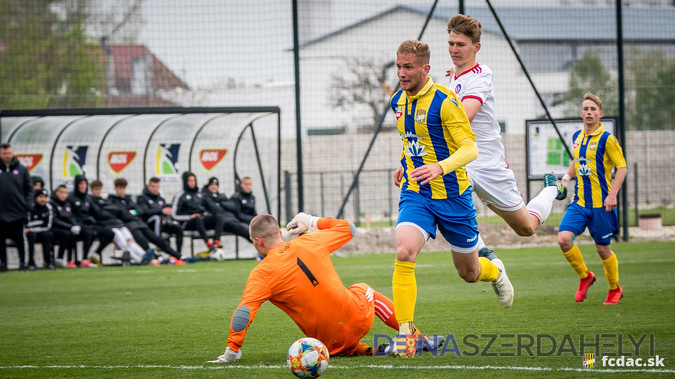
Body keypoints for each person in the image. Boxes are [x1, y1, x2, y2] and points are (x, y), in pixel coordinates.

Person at [390, 40, 514, 355]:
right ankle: (406, 334)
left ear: (425, 69)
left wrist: (439, 168)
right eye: (399, 67)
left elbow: (469, 148)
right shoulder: (397, 102)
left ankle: (495, 270)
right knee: (404, 252)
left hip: (454, 197)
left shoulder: (445, 101)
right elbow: (413, 141)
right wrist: (405, 164)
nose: (402, 74)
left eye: (408, 67)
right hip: (417, 193)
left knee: (470, 274)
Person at [210, 212, 438, 363]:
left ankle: (358, 348)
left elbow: (244, 313)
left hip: (327, 343)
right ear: (280, 233)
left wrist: (232, 351)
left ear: (258, 241)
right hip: (359, 319)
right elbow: (350, 228)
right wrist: (310, 221)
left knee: (338, 316)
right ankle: (417, 338)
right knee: (361, 288)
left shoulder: (261, 273)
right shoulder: (311, 240)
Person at [445, 14, 566, 255]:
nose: (454, 49)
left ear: (476, 47)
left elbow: (464, 118)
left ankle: (553, 188)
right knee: (449, 198)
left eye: (461, 44)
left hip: (489, 164)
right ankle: (484, 254)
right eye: (451, 43)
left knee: (527, 228)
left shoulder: (481, 76)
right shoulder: (450, 79)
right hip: (462, 161)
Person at [557, 93, 627, 305]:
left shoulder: (608, 139)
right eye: (586, 109)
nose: (589, 112)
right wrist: (567, 177)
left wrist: (613, 194)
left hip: (601, 205)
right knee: (563, 239)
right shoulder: (577, 136)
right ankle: (585, 276)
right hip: (579, 203)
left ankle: (614, 288)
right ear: (581, 113)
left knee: (602, 249)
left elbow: (622, 167)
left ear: (600, 114)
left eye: (593, 109)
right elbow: (577, 161)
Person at [110, 178, 182, 261]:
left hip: (139, 223)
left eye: (123, 188)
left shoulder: (128, 199)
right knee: (142, 240)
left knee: (157, 239)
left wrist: (131, 212)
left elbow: (140, 210)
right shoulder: (112, 200)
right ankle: (156, 258)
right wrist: (133, 212)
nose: (122, 191)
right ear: (115, 189)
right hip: (128, 226)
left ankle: (178, 256)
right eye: (120, 188)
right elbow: (123, 214)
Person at [89, 179, 155, 265]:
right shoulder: (90, 201)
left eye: (99, 189)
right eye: (96, 189)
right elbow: (100, 214)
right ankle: (138, 260)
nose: (98, 191)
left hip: (117, 224)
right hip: (106, 226)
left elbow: (116, 210)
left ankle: (143, 254)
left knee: (130, 240)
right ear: (91, 190)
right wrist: (109, 211)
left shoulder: (105, 200)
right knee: (122, 243)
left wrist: (108, 211)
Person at [0, 143, 33, 273]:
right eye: (4, 153)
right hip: (1, 213)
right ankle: (3, 264)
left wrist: (27, 204)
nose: (6, 156)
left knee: (20, 239)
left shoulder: (22, 170)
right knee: (0, 241)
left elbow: (29, 189)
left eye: (8, 153)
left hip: (18, 212)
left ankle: (23, 264)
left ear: (12, 153)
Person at [68, 175, 114, 267]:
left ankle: (95, 254)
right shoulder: (71, 198)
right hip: (78, 226)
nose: (83, 186)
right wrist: (74, 225)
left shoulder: (88, 198)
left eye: (85, 183)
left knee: (110, 233)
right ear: (76, 185)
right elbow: (69, 214)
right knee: (89, 233)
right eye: (81, 183)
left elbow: (97, 213)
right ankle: (84, 260)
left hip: (90, 224)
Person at [173, 172, 225, 251]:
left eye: (194, 180)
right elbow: (174, 215)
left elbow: (208, 207)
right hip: (188, 222)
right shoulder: (180, 195)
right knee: (197, 218)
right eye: (190, 181)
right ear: (185, 182)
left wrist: (206, 212)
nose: (192, 183)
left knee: (219, 216)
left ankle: (216, 241)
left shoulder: (200, 194)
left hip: (201, 221)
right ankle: (208, 243)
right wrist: (189, 217)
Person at [136, 177, 184, 256]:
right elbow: (144, 212)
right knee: (157, 219)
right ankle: (158, 244)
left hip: (162, 224)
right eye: (153, 186)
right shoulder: (142, 198)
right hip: (148, 225)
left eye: (157, 186)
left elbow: (165, 212)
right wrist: (160, 211)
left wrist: (165, 217)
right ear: (148, 186)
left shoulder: (161, 199)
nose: (155, 189)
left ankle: (178, 254)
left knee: (178, 227)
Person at [202, 177, 251, 241]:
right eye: (212, 185)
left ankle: (261, 245)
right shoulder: (206, 197)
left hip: (232, 219)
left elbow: (233, 206)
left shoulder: (221, 196)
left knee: (247, 227)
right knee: (242, 229)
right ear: (208, 186)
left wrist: (221, 202)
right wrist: (222, 203)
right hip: (223, 222)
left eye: (215, 185)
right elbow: (216, 209)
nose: (214, 187)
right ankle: (259, 244)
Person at [26, 189, 56, 270]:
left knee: (48, 234)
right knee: (31, 236)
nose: (43, 199)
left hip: (42, 231)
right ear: (35, 198)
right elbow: (28, 224)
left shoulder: (48, 208)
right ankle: (31, 263)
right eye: (40, 197)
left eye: (45, 197)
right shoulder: (31, 207)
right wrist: (41, 222)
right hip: (32, 232)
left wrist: (34, 228)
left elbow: (48, 225)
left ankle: (48, 262)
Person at [49, 185, 78, 267]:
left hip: (66, 228)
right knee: (66, 234)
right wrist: (70, 227)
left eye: (65, 193)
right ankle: (59, 258)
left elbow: (71, 217)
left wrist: (75, 225)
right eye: (61, 192)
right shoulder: (52, 203)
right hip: (53, 228)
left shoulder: (67, 204)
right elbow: (55, 220)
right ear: (56, 192)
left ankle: (70, 260)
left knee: (72, 234)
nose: (63, 195)